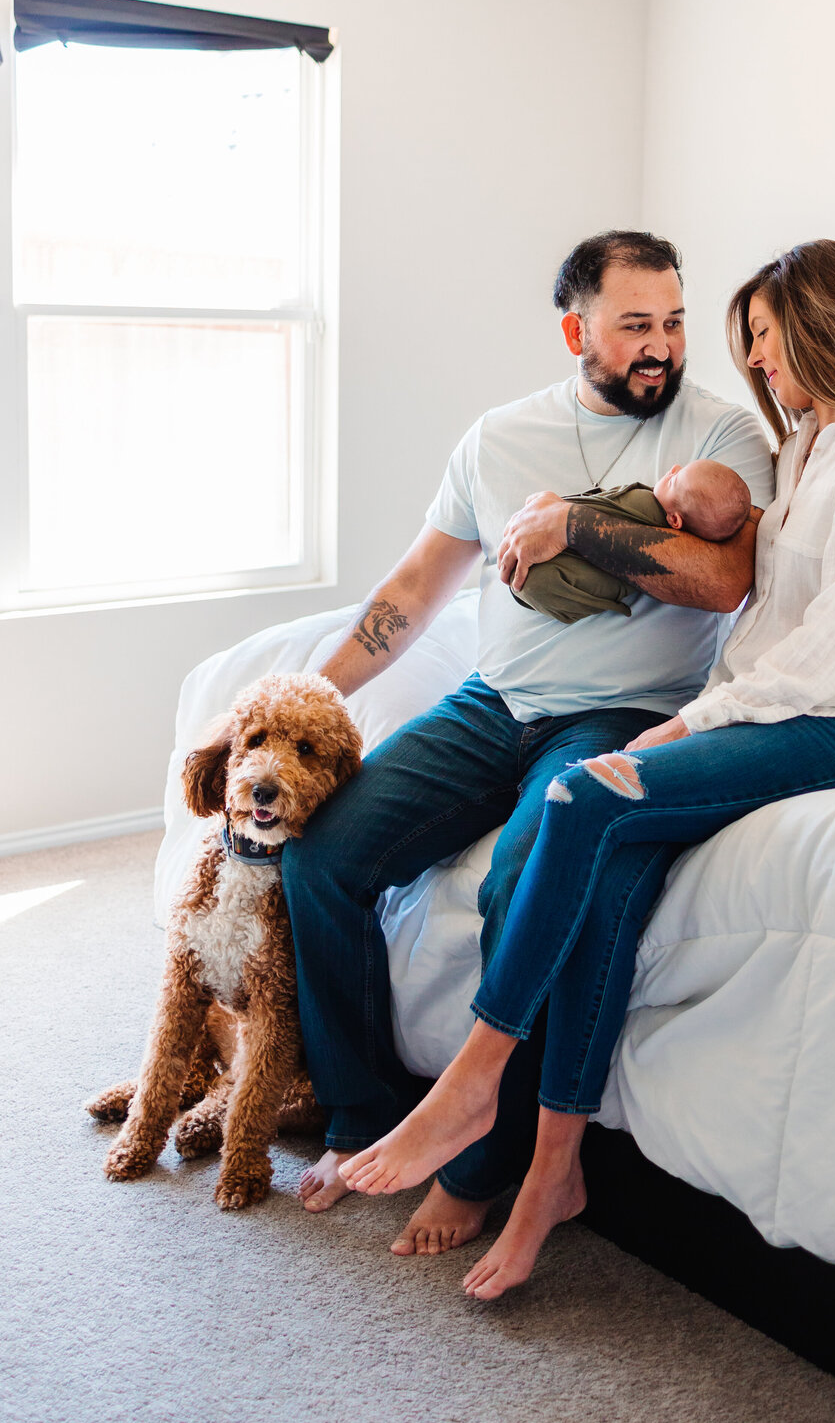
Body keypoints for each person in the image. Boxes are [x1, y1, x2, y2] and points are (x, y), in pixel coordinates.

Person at [337, 238, 835, 1299]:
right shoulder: (815, 444)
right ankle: (553, 1174)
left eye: (767, 343)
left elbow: (832, 651)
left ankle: (475, 1080)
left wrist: (689, 725)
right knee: (614, 858)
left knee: (589, 795)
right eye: (753, 349)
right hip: (779, 705)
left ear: (824, 328)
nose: (760, 368)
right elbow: (769, 605)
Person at [284, 229, 775, 1254]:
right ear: (575, 330)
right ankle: (364, 1114)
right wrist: (301, 692)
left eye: (675, 323)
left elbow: (728, 581)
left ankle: (481, 1160)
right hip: (492, 702)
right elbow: (417, 588)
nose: (663, 346)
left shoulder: (722, 435)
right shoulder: (499, 436)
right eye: (636, 325)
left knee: (521, 878)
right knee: (323, 855)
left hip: (624, 715)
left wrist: (580, 528)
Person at [514, 460, 752, 623]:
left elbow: (578, 508)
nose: (674, 467)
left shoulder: (643, 503)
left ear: (675, 520)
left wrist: (560, 512)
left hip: (532, 572)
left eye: (675, 479)